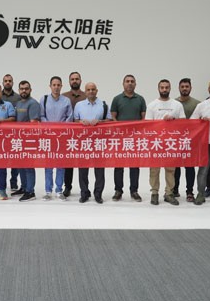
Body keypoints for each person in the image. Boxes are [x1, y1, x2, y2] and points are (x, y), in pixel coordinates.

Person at [145, 79, 186, 206]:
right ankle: (154, 193)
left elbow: (184, 123)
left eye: (166, 87)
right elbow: (147, 125)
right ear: (158, 89)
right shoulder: (152, 105)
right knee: (154, 169)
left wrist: (174, 119)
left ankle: (169, 193)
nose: (164, 89)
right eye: (162, 87)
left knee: (170, 169)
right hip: (156, 142)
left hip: (171, 142)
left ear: (170, 88)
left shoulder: (177, 105)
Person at [110, 74, 146, 202]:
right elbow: (113, 117)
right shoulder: (117, 99)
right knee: (118, 165)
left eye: (132, 81)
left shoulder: (140, 99)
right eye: (127, 81)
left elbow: (143, 118)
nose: (129, 83)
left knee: (134, 165)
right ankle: (118, 191)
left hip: (135, 138)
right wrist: (121, 129)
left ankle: (134, 191)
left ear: (135, 84)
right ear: (123, 84)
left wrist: (137, 131)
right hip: (120, 138)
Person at [73, 82, 111, 204]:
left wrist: (100, 122)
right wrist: (80, 122)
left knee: (99, 169)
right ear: (85, 91)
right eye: (88, 89)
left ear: (97, 91)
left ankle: (98, 194)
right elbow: (75, 121)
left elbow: (109, 121)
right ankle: (84, 193)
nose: (91, 91)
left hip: (99, 141)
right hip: (83, 141)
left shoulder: (104, 105)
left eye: (93, 89)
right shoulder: (79, 105)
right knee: (83, 169)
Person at [40, 76, 73, 201]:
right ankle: (48, 191)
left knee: (60, 164)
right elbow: (42, 116)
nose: (56, 87)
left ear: (61, 86)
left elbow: (69, 117)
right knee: (48, 165)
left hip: (62, 137)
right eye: (54, 85)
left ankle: (59, 190)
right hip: (48, 137)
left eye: (58, 85)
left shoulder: (66, 101)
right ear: (50, 86)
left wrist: (60, 129)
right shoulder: (44, 99)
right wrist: (50, 128)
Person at [12, 80, 41, 202]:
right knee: (20, 166)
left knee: (29, 166)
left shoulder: (33, 103)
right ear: (19, 90)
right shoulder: (18, 103)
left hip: (29, 140)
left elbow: (33, 123)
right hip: (18, 140)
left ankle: (30, 191)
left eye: (26, 88)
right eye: (22, 89)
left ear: (30, 90)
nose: (24, 91)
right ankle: (24, 187)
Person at [174, 78, 200, 202]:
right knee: (175, 167)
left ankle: (190, 192)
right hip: (175, 141)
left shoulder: (197, 104)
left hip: (191, 141)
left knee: (190, 167)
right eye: (182, 86)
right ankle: (174, 190)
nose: (184, 88)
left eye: (187, 86)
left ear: (190, 88)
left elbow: (201, 121)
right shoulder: (173, 103)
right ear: (179, 88)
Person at [62, 71, 87, 197]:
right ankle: (67, 187)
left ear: (80, 81)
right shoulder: (64, 96)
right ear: (69, 81)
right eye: (72, 79)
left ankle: (84, 188)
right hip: (67, 134)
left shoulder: (86, 95)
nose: (75, 81)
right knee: (68, 162)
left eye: (77, 79)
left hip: (83, 135)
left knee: (83, 163)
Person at [1, 74, 22, 191]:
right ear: (3, 83)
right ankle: (1, 183)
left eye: (9, 81)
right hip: (1, 134)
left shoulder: (18, 98)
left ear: (12, 83)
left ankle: (14, 182)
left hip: (15, 133)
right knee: (2, 159)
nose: (7, 82)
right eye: (6, 81)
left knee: (15, 160)